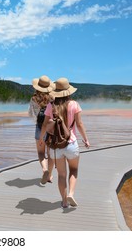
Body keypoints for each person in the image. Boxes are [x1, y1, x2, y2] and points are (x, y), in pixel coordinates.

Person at [39, 78, 90, 208]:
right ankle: (71, 194)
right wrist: (86, 139)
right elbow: (79, 124)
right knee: (74, 170)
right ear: (68, 91)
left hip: (56, 146)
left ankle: (64, 201)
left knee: (61, 174)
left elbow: (45, 124)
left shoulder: (51, 105)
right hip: (71, 143)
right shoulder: (74, 104)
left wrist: (41, 139)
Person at [28, 75, 55, 185]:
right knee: (51, 154)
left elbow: (31, 114)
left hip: (40, 126)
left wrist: (37, 120)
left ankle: (44, 170)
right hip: (51, 127)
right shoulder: (53, 98)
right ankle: (49, 176)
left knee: (40, 152)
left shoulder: (34, 98)